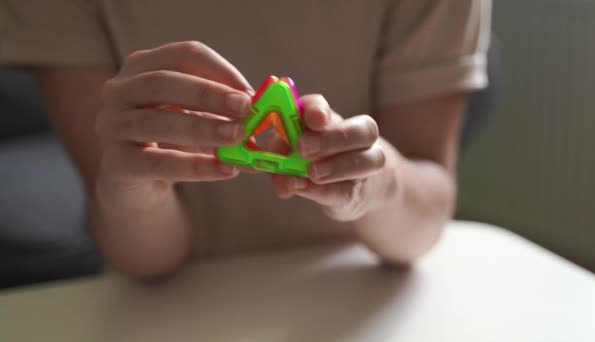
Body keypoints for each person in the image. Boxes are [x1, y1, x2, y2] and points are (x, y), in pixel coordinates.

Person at [0, 1, 492, 278]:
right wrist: (131, 194)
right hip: (177, 302)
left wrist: (380, 181)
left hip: (359, 289)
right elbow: (142, 260)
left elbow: (423, 219)